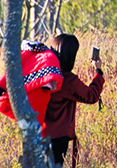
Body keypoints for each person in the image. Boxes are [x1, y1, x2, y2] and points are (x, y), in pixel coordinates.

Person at [44, 34, 104, 167]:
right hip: (57, 138)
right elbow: (91, 96)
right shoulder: (67, 80)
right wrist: (98, 72)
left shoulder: (45, 75)